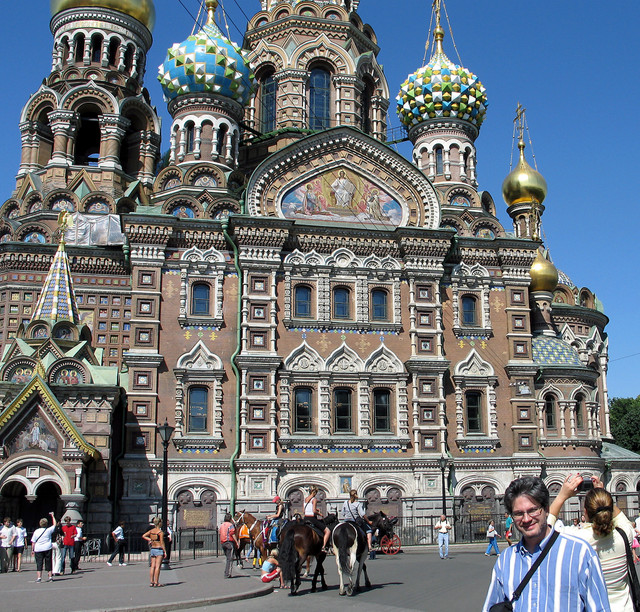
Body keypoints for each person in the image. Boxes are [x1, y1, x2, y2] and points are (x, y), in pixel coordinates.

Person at [483, 476, 611, 612]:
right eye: (519, 513)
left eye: (533, 510)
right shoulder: (506, 560)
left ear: (546, 509)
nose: (526, 519)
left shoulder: (580, 553)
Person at [549, 473, 636, 611]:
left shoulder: (575, 538)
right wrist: (602, 494)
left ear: (586, 512)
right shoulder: (625, 534)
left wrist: (562, 496)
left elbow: (546, 531)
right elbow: (621, 519)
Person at [31, 512, 57, 583]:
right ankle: (50, 576)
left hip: (38, 548)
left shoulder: (36, 531)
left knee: (39, 563)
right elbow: (54, 524)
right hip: (47, 548)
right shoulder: (48, 530)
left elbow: (33, 541)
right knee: (48, 562)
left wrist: (32, 550)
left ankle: (39, 577)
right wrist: (52, 516)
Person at [142, 518, 166, 587]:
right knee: (157, 567)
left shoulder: (151, 531)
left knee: (152, 566)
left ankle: (151, 581)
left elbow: (143, 536)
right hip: (159, 549)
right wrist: (165, 551)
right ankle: (156, 582)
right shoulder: (160, 532)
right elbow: (162, 542)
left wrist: (150, 539)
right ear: (159, 523)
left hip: (153, 549)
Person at [219, 513, 239, 579]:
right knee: (230, 559)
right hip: (229, 543)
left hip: (223, 543)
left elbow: (220, 533)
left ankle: (226, 572)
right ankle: (227, 574)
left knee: (227, 558)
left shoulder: (221, 525)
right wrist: (237, 542)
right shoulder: (230, 525)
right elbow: (232, 534)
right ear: (230, 519)